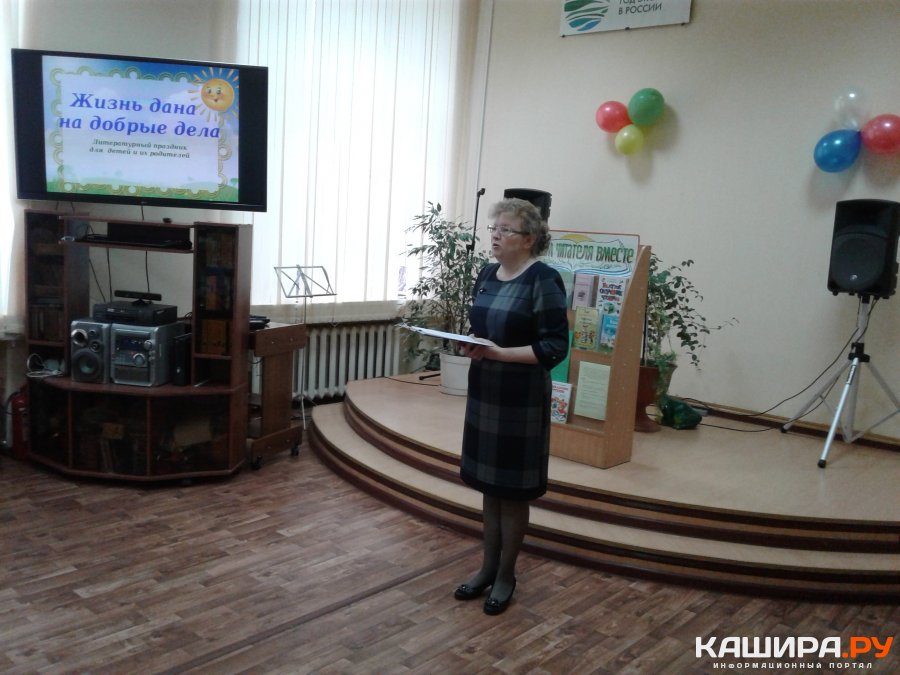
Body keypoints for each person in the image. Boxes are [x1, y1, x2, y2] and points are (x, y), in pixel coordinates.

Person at [453, 197, 569, 615]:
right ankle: (486, 568)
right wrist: (471, 343)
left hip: (521, 399)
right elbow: (482, 328)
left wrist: (500, 353)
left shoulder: (543, 279)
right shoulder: (487, 274)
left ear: (529, 239)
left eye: (505, 230)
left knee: (513, 492)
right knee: (489, 486)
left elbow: (554, 346)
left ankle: (506, 574)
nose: (496, 236)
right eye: (494, 228)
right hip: (486, 390)